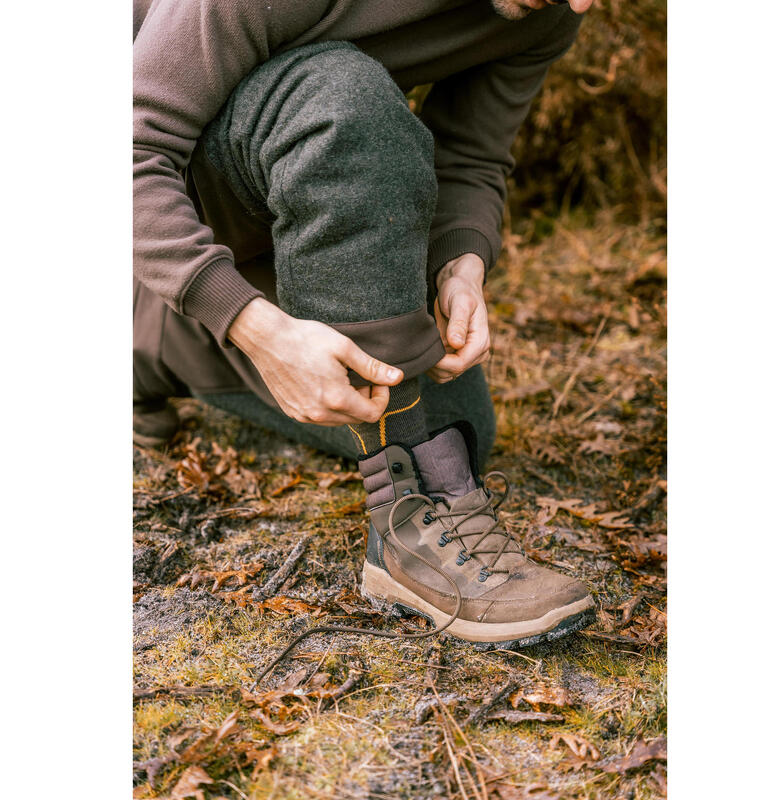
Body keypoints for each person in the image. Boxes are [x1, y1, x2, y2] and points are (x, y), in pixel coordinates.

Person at [133, 0, 596, 649]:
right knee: (343, 100)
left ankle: (152, 342)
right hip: (155, 169)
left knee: (456, 428)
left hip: (282, 178)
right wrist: (250, 325)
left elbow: (470, 155)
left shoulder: (548, 6)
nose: (582, 4)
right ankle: (407, 537)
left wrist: (461, 263)